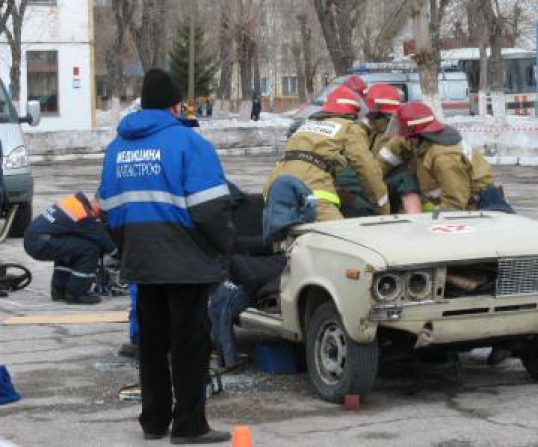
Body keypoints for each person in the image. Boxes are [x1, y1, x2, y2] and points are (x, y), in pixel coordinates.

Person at [98, 68, 233, 444]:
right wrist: (223, 247)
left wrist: (127, 249)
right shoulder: (189, 143)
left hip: (142, 259)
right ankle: (190, 426)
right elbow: (212, 211)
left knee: (152, 344)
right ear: (176, 106)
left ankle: (154, 421)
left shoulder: (117, 148)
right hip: (186, 259)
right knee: (189, 344)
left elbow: (107, 207)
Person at [264, 84, 389, 222]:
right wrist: (383, 208)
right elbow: (367, 169)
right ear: (353, 113)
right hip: (313, 189)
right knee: (338, 239)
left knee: (285, 237)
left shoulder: (307, 124)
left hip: (275, 188)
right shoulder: (349, 127)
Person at [388, 101, 513, 212]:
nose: (403, 138)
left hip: (483, 207)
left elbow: (455, 205)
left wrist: (432, 221)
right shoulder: (427, 142)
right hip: (470, 205)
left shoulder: (444, 158)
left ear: (415, 134)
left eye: (404, 133)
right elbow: (400, 145)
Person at [335, 83, 421, 216]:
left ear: (377, 109)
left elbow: (377, 167)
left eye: (368, 107)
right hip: (373, 180)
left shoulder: (396, 133)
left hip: (386, 184)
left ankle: (413, 217)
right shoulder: (373, 129)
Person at [23, 192, 117, 304]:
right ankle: (76, 293)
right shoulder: (83, 215)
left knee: (73, 247)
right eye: (102, 214)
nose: (99, 217)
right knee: (90, 249)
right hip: (41, 243)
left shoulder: (74, 201)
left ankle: (59, 289)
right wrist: (121, 256)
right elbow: (102, 239)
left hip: (33, 239)